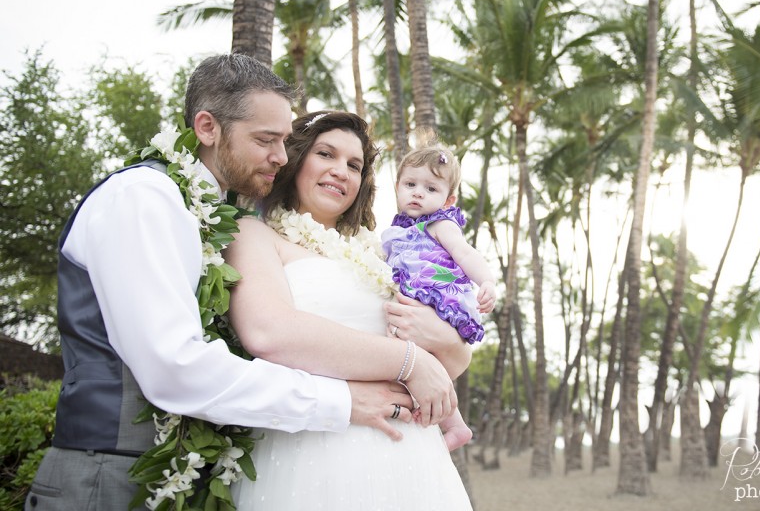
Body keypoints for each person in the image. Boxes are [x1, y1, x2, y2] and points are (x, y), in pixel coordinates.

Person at [26, 54, 455, 510]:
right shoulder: (144, 198)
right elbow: (175, 366)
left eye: (286, 141)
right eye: (266, 140)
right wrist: (345, 399)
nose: (280, 156)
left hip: (185, 472)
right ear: (208, 128)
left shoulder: (209, 218)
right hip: (107, 473)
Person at [226, 111, 473, 510]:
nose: (341, 171)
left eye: (354, 165)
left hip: (411, 458)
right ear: (296, 158)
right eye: (326, 154)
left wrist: (440, 337)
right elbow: (268, 332)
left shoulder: (383, 252)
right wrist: (409, 361)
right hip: (313, 452)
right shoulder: (255, 234)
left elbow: (455, 362)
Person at [382, 142, 498, 450]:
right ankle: (455, 424)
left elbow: (463, 253)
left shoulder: (440, 223)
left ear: (448, 199)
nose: (418, 193)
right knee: (420, 361)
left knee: (416, 359)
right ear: (397, 187)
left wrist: (486, 280)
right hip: (415, 300)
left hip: (438, 297)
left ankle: (443, 416)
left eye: (430, 188)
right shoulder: (395, 231)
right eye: (410, 184)